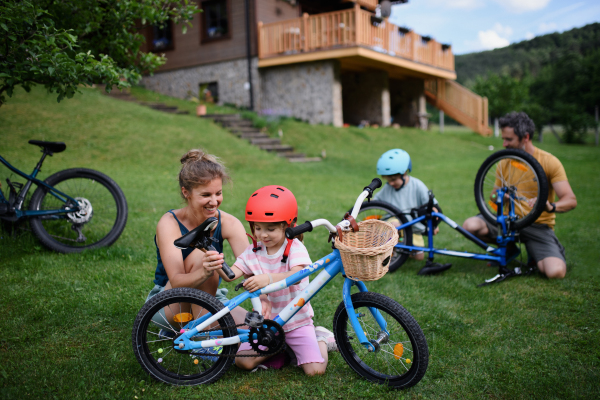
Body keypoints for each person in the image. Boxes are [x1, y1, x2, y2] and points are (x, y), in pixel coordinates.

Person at [216, 185, 334, 376]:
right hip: (268, 325)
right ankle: (281, 348)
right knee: (242, 362)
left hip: (297, 322)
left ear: (287, 226)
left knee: (315, 371)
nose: (263, 235)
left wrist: (268, 279)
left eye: (270, 229)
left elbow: (298, 275)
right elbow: (231, 276)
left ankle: (321, 338)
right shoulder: (253, 251)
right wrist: (216, 263)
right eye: (258, 228)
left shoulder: (294, 247)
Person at [462, 112, 577, 279]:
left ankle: (539, 251)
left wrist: (550, 206)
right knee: (470, 225)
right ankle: (509, 250)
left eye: (509, 139)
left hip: (538, 224)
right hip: (507, 222)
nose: (504, 143)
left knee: (555, 272)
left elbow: (570, 200)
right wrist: (501, 198)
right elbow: (493, 198)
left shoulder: (549, 162)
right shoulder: (503, 161)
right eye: (503, 138)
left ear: (526, 137)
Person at [147, 149, 249, 331]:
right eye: (206, 195)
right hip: (168, 302)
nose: (214, 201)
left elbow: (252, 268)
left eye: (218, 193)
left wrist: (266, 298)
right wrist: (205, 272)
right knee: (201, 257)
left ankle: (198, 329)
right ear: (186, 192)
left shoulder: (229, 223)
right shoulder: (169, 223)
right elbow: (177, 281)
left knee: (256, 328)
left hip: (211, 298)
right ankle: (203, 340)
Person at [374, 149, 450, 275]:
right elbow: (375, 203)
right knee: (395, 225)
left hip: (413, 227)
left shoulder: (417, 186)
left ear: (404, 172)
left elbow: (434, 208)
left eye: (393, 179)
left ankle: (402, 249)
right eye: (388, 180)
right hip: (395, 224)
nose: (391, 183)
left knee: (419, 257)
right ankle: (393, 252)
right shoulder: (388, 188)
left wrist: (434, 225)